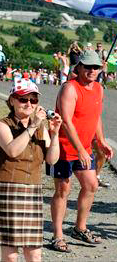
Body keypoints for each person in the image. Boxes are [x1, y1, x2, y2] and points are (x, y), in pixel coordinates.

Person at [49, 50, 114, 251]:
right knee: (63, 189)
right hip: (63, 148)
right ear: (79, 67)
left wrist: (101, 141)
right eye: (88, 66)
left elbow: (96, 116)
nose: (92, 70)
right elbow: (67, 122)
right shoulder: (70, 88)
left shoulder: (99, 89)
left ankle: (80, 227)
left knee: (91, 185)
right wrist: (81, 150)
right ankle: (58, 235)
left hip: (84, 148)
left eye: (96, 67)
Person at [0, 79, 62, 260]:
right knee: (11, 255)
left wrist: (55, 133)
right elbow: (12, 150)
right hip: (9, 189)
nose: (29, 104)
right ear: (12, 100)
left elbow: (52, 160)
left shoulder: (40, 126)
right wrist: (33, 126)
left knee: (34, 254)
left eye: (33, 100)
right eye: (23, 99)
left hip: (33, 189)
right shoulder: (4, 124)